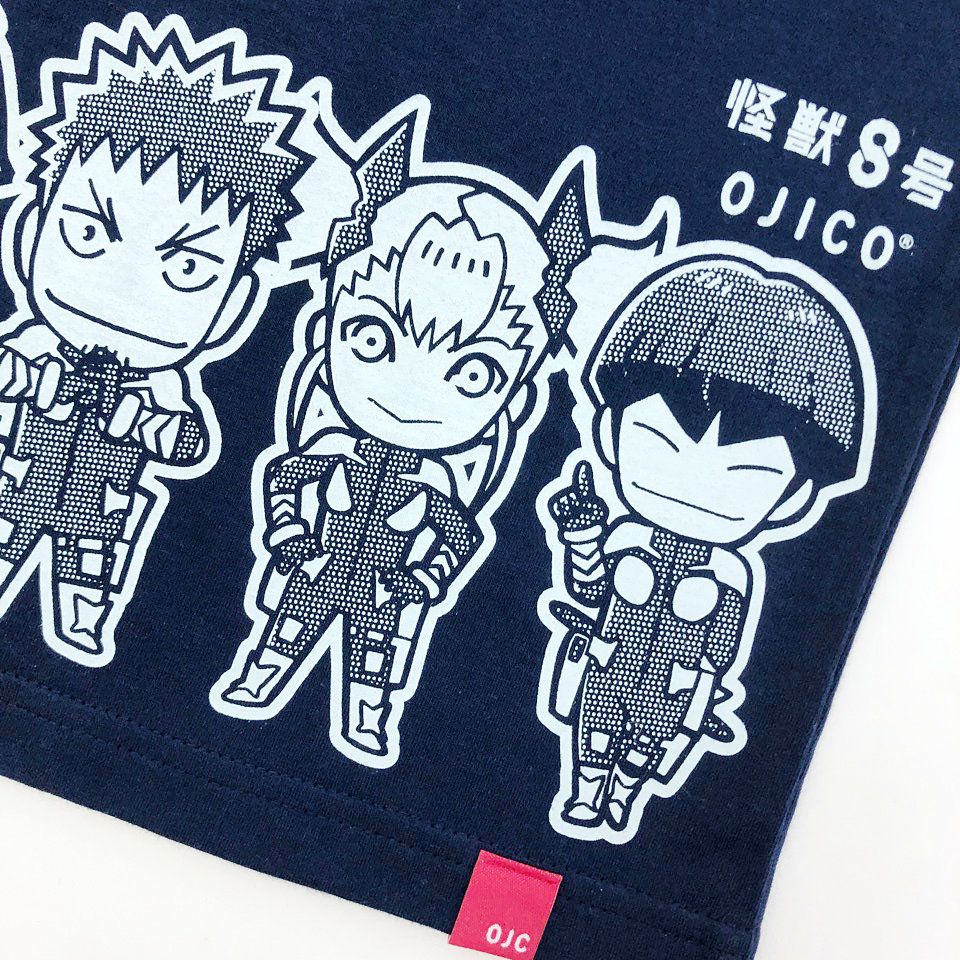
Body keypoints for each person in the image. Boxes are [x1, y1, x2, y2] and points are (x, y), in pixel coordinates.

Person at [0, 17, 308, 664]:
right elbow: (9, 369)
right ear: (30, 236)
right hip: (18, 481)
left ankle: (83, 619)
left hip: (101, 502)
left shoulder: (162, 381)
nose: (125, 283)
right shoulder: (36, 342)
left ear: (233, 309)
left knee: (90, 567)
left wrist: (149, 423)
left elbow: (186, 438)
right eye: (86, 233)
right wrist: (26, 377)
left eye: (188, 268)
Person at [544, 251, 871, 836]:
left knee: (646, 744)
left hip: (672, 687)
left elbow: (723, 645)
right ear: (610, 435)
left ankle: (624, 793)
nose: (697, 480)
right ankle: (589, 792)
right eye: (659, 443)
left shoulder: (729, 575)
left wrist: (702, 679)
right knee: (594, 729)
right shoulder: (626, 535)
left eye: (745, 474)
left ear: (793, 499)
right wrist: (585, 537)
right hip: (607, 664)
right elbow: (589, 588)